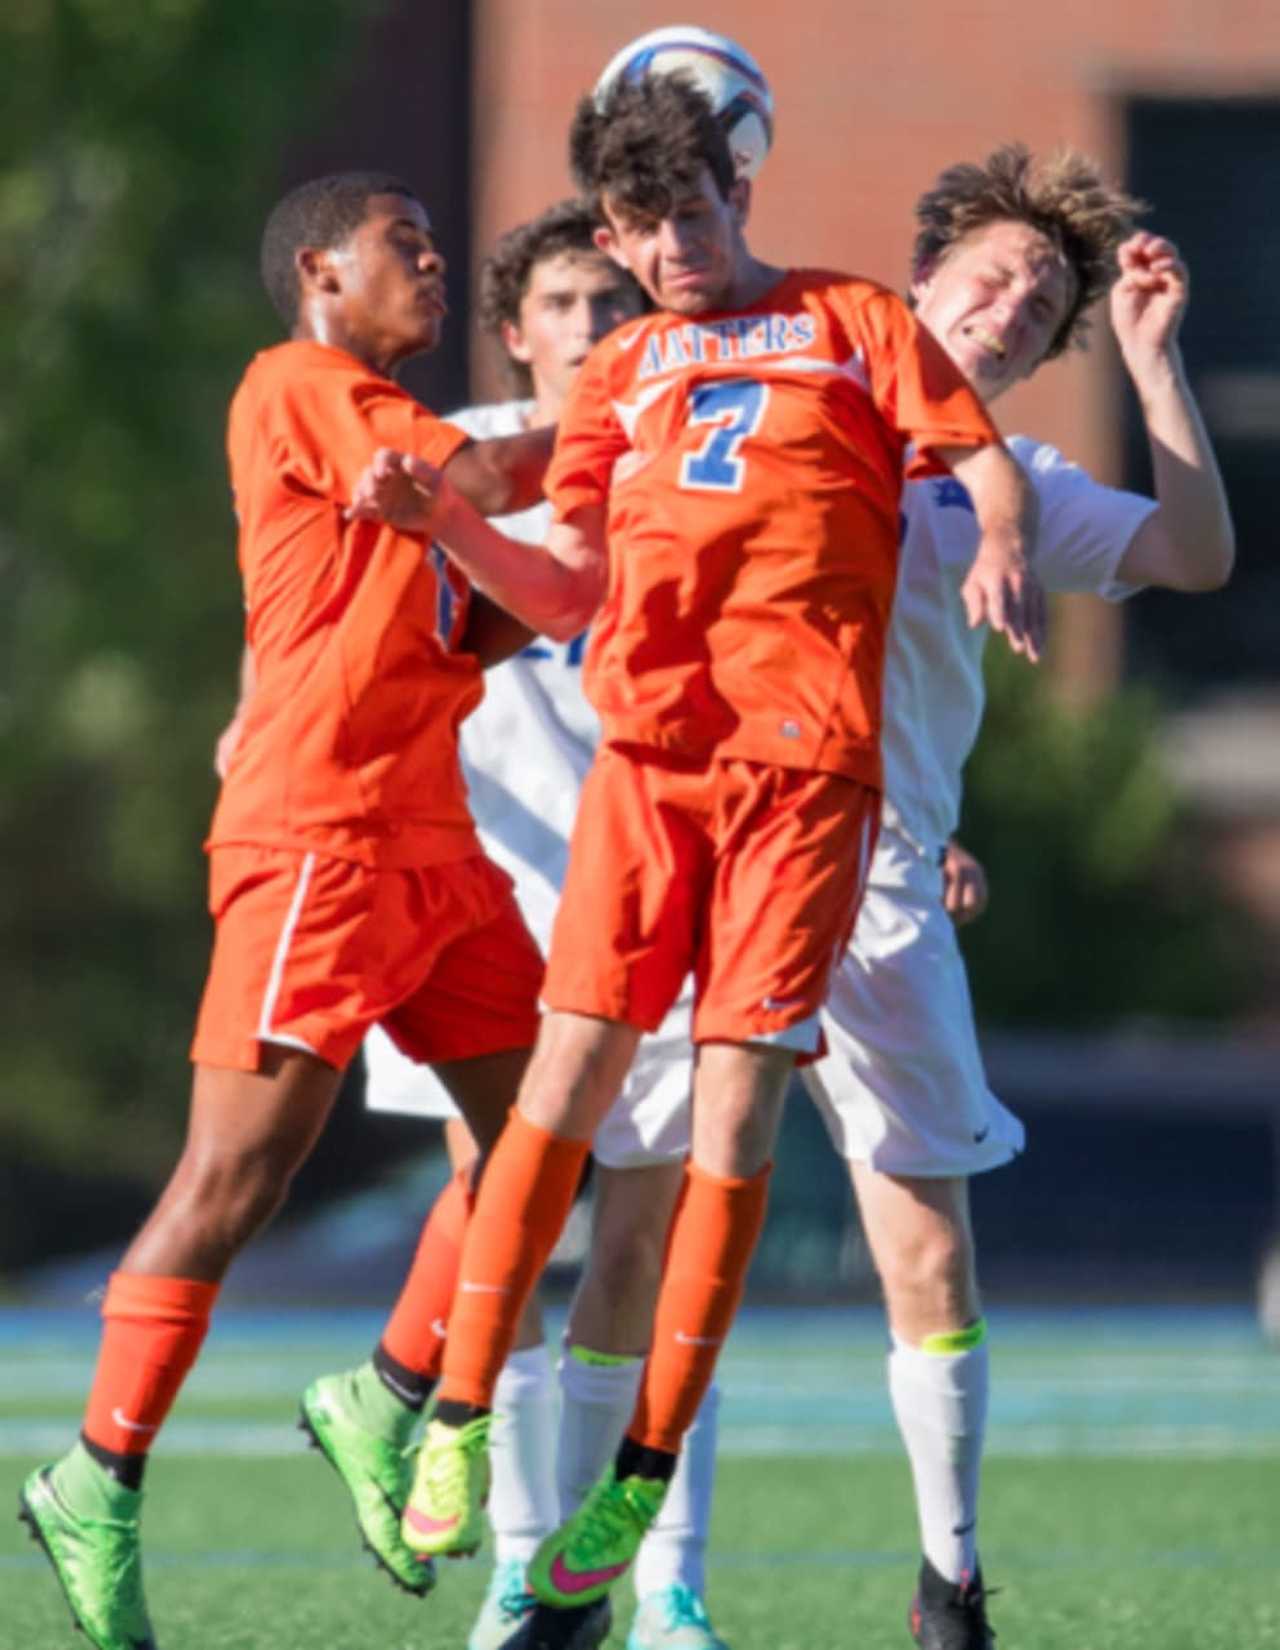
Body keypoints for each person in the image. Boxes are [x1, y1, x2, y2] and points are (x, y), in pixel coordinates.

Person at [346, 73, 1041, 1637]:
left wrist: (997, 533)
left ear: (742, 193)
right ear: (614, 228)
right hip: (648, 769)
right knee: (567, 1078)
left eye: (701, 214)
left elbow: (980, 455)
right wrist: (447, 529)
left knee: (734, 1105)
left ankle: (641, 1472)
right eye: (646, 227)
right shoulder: (626, 368)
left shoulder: (851, 317)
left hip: (803, 780)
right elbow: (571, 583)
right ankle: (457, 1413)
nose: (677, 249)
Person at [18, 170, 558, 1650]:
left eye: (441, 246)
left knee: (548, 1140)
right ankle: (94, 1475)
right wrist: (679, 417)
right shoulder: (302, 382)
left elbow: (498, 595)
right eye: (408, 244)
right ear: (321, 269)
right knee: (228, 1188)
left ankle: (384, 1395)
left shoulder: (406, 466)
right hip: (316, 846)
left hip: (433, 851)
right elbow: (502, 480)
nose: (436, 262)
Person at [793, 146, 1233, 1650]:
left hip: (880, 883)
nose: (1011, 300)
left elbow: (1193, 551)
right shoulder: (796, 396)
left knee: (925, 1245)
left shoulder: (1023, 485)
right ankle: (602, 1572)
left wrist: (1155, 362)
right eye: (991, 272)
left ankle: (950, 1578)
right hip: (711, 845)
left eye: (1044, 301)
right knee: (645, 1206)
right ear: (922, 280)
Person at [358, 199, 732, 1650]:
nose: (596, 326)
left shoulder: (699, 435)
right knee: (501, 1248)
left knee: (653, 1241)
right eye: (568, 302)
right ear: (517, 331)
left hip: (673, 887)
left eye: (616, 301)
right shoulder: (456, 453)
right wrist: (260, 725)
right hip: (502, 913)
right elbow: (331, 612)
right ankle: (522, 1563)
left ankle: (660, 1584)